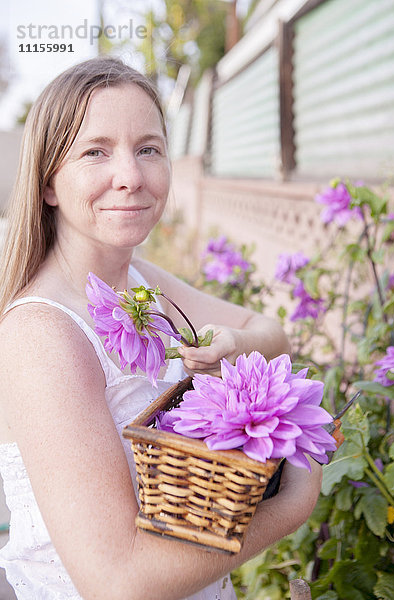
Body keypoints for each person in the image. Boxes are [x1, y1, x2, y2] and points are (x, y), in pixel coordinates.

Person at [0, 56, 322, 600]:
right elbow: (117, 582)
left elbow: (271, 332)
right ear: (49, 183)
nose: (130, 176)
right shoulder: (44, 335)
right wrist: (290, 507)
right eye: (95, 151)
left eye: (148, 148)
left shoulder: (141, 282)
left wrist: (234, 344)